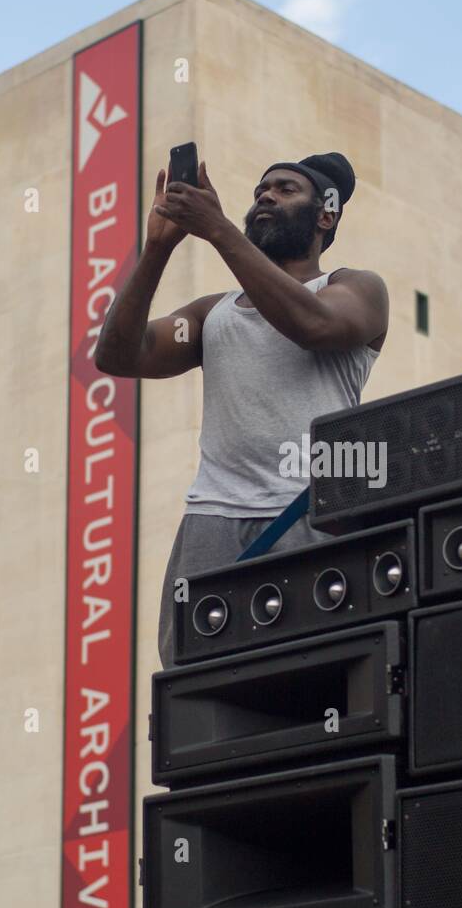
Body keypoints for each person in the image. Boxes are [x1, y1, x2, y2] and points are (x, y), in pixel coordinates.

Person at [93, 150, 388, 667]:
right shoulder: (214, 313)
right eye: (260, 191)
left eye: (286, 189)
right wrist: (157, 250)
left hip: (308, 511)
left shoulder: (354, 286)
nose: (266, 197)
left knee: (314, 668)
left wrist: (218, 230)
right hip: (212, 520)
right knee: (195, 676)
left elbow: (314, 326)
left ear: (327, 214)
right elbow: (118, 355)